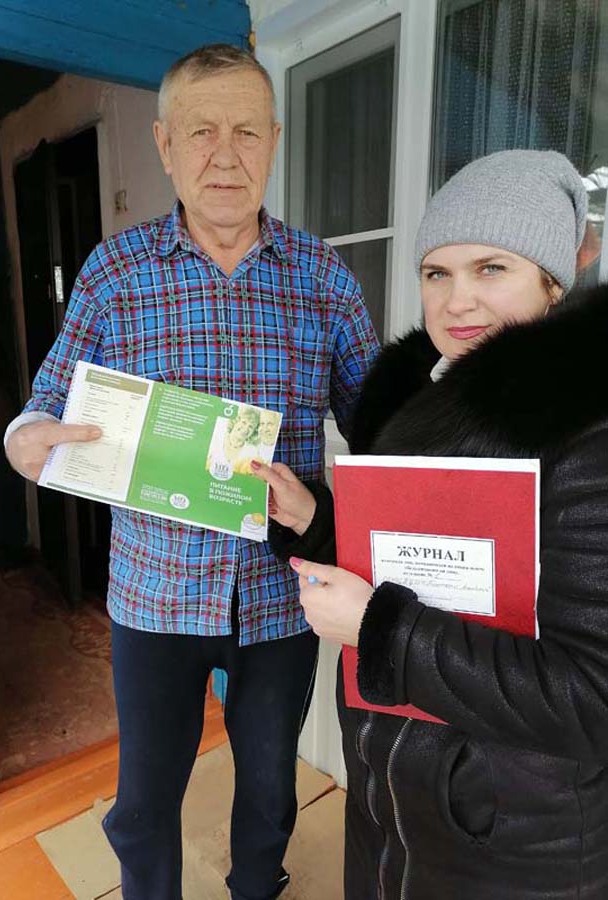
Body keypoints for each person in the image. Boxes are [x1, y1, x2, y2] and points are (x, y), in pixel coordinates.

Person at [4, 43, 380, 900]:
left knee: (270, 792)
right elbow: (45, 402)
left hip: (282, 596)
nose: (224, 154)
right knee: (144, 802)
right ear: (165, 145)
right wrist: (25, 438)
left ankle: (256, 888)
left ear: (273, 141)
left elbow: (379, 430)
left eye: (246, 131)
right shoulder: (115, 272)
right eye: (201, 131)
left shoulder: (323, 278)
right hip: (154, 593)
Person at [253, 149, 608, 899]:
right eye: (436, 273)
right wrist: (315, 521)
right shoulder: (422, 399)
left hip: (511, 842)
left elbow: (591, 697)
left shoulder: (587, 433)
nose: (456, 301)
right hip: (389, 805)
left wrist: (377, 630)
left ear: (552, 280)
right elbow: (418, 568)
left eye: (491, 269)